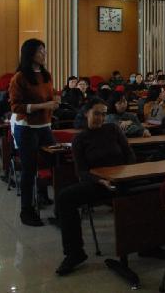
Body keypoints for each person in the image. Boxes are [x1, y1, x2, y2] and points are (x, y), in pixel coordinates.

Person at [55, 98, 136, 275]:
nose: (101, 118)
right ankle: (75, 253)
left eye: (104, 114)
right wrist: (99, 180)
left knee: (150, 189)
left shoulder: (113, 129)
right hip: (99, 184)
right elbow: (81, 172)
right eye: (97, 114)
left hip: (122, 180)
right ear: (86, 113)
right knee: (65, 198)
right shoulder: (80, 139)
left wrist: (126, 173)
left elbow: (129, 155)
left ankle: (149, 244)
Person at [9, 38, 59, 226]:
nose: (44, 54)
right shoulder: (20, 77)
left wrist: (55, 100)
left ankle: (45, 196)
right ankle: (26, 211)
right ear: (30, 53)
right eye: (40, 51)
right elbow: (16, 106)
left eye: (44, 50)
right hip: (27, 128)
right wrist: (43, 106)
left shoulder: (46, 75)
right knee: (29, 170)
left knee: (56, 163)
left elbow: (50, 95)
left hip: (45, 126)